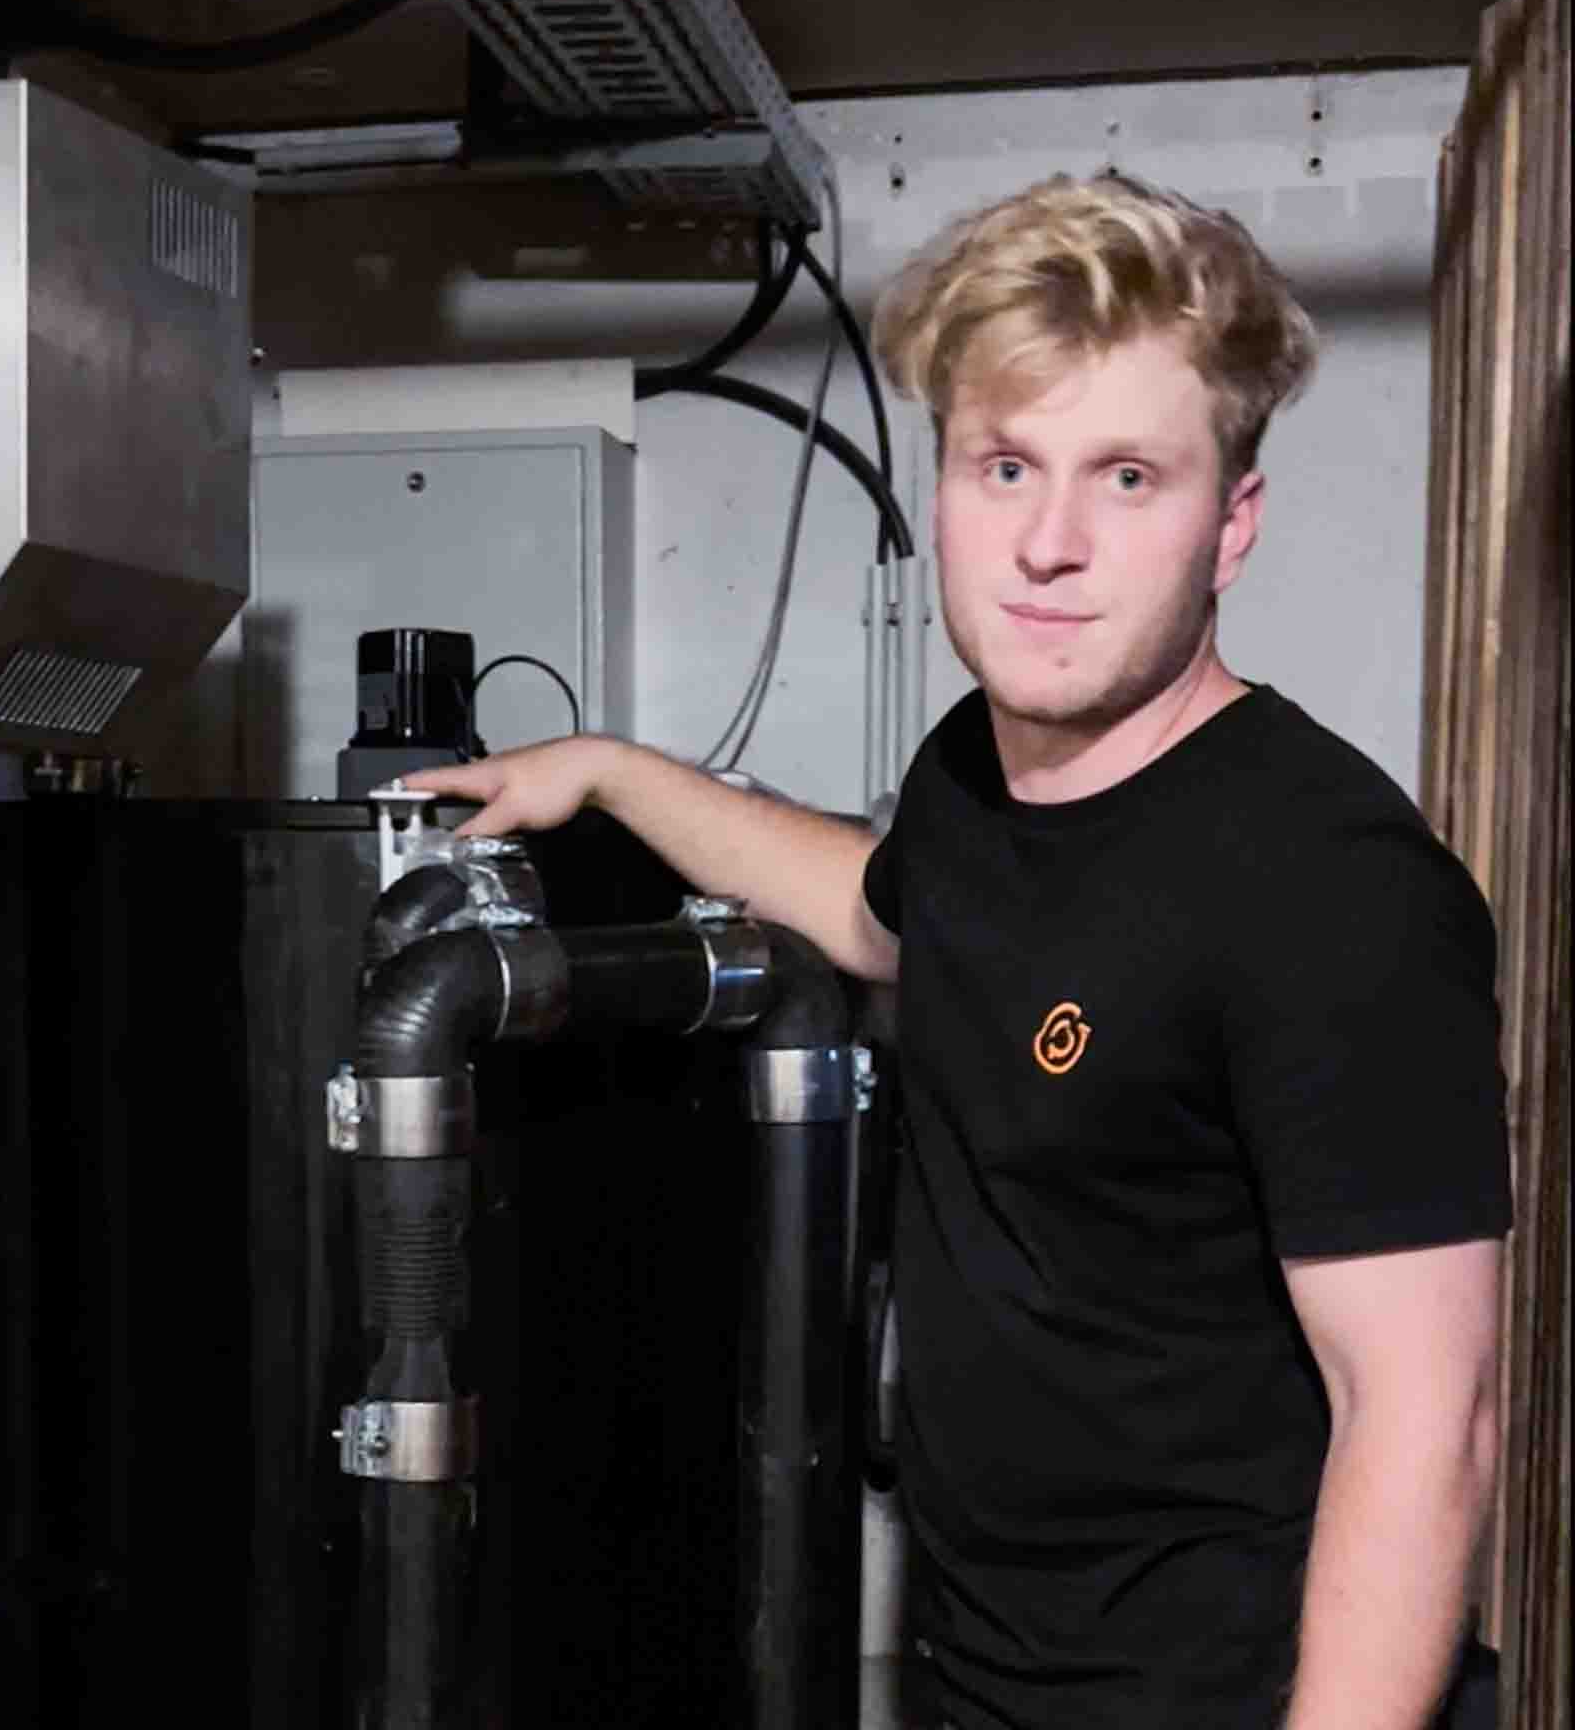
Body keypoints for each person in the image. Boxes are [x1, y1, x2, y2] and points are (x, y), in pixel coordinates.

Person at [405, 173, 1512, 1729]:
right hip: (985, 1678)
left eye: (1128, 477)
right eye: (1006, 466)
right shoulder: (977, 780)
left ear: (1232, 524)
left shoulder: (1332, 890)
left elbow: (1424, 1420)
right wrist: (609, 771)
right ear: (941, 487)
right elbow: (873, 903)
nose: (1048, 543)